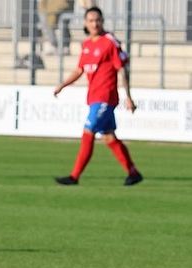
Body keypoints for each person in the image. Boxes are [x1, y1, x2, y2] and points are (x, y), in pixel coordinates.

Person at [53, 6, 143, 186]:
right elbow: (80, 70)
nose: (95, 24)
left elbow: (122, 69)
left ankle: (74, 176)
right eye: (91, 21)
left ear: (102, 21)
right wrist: (62, 85)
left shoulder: (109, 42)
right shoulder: (86, 45)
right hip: (94, 97)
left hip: (105, 97)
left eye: (97, 20)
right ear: (85, 23)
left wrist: (128, 96)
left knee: (88, 131)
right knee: (109, 137)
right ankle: (133, 173)